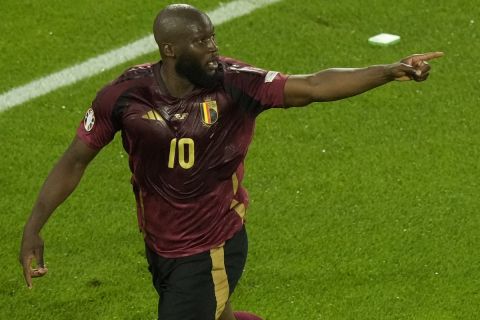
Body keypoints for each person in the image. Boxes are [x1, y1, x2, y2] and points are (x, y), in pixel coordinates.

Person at [19, 3, 443, 320]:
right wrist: (35, 225)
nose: (213, 48)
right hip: (159, 244)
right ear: (169, 48)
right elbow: (75, 160)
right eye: (200, 41)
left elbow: (312, 85)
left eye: (212, 37)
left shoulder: (235, 84)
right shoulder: (125, 96)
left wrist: (388, 71)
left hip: (211, 246)